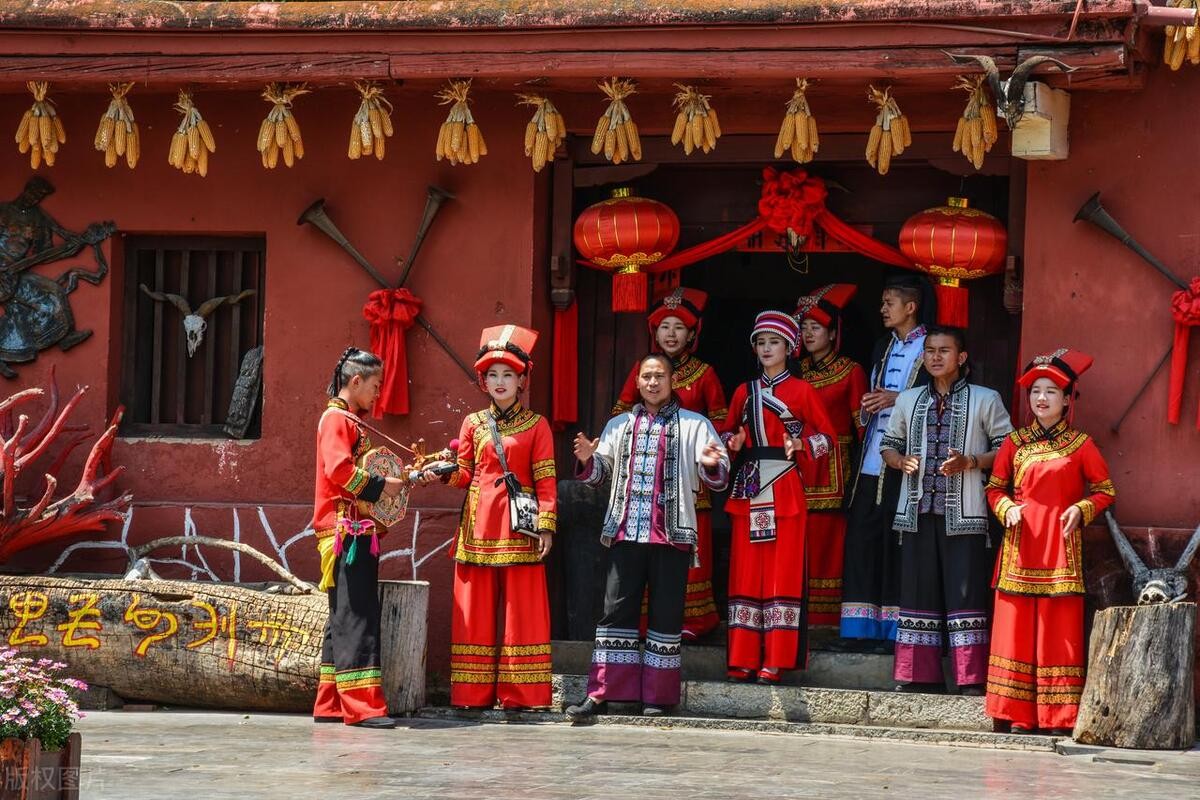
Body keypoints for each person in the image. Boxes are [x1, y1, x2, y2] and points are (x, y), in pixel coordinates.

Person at [566, 353, 729, 719]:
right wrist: (590, 459)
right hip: (625, 532)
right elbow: (599, 476)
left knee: (666, 615)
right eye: (646, 377)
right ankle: (603, 692)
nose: (653, 383)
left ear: (673, 381)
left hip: (672, 535)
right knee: (614, 613)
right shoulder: (618, 425)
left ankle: (657, 696)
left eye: (659, 376)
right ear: (637, 382)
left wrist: (711, 464)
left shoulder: (696, 424)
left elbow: (718, 476)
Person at [985, 349, 1115, 734]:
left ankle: (1058, 716)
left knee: (1059, 633)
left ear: (1067, 399)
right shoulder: (1015, 443)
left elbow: (1105, 490)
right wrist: (1006, 507)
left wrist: (1082, 508)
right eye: (1035, 391)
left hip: (1060, 551)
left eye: (1051, 392)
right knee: (1014, 632)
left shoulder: (1081, 445)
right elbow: (994, 488)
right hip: (1020, 548)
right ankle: (1015, 713)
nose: (1041, 398)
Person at [880, 327, 1012, 695]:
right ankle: (918, 675)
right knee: (916, 591)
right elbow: (888, 444)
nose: (935, 357)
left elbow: (1007, 449)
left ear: (962, 357)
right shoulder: (908, 400)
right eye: (930, 351)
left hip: (965, 514)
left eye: (944, 350)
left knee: (964, 592)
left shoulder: (986, 399)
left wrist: (971, 461)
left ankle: (970, 677)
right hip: (916, 511)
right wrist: (900, 461)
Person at [432, 325, 558, 710]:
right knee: (474, 612)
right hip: (477, 528)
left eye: (508, 374)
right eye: (492, 375)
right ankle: (472, 695)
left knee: (523, 613)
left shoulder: (537, 425)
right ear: (483, 381)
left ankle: (522, 695)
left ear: (522, 381)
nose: (500, 381)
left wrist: (546, 526)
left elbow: (546, 481)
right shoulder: (472, 423)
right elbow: (465, 474)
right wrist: (445, 471)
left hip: (521, 528)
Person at [720, 311, 836, 683]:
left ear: (789, 348)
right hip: (749, 484)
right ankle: (743, 656)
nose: (767, 348)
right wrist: (732, 441)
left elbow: (828, 439)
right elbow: (725, 434)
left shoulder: (803, 391)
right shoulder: (743, 392)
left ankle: (776, 658)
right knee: (745, 571)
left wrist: (801, 444)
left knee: (781, 571)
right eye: (761, 342)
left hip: (785, 484)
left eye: (774, 342)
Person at [613, 287, 727, 641]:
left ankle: (693, 620)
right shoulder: (643, 370)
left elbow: (719, 421)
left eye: (679, 327)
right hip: (645, 478)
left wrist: (709, 454)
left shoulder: (705, 373)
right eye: (665, 327)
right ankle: (645, 622)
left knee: (689, 547)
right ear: (655, 332)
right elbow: (621, 414)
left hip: (687, 477)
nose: (672, 334)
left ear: (692, 334)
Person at [311, 347, 406, 728]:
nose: (378, 393)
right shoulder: (337, 419)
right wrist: (382, 487)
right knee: (358, 616)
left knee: (343, 617)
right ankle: (362, 707)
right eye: (375, 385)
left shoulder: (348, 420)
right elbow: (338, 471)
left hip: (352, 530)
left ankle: (331, 703)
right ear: (355, 381)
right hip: (347, 532)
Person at [840, 274, 934, 651]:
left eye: (888, 302)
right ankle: (860, 630)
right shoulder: (882, 345)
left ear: (910, 307)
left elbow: (939, 395)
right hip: (871, 458)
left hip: (907, 459)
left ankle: (896, 632)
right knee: (863, 540)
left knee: (897, 544)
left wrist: (897, 399)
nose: (882, 309)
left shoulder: (931, 345)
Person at [794, 284, 868, 632]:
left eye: (817, 327)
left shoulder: (851, 371)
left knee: (830, 535)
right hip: (797, 462)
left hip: (836, 466)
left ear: (834, 333)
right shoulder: (794, 371)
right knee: (798, 533)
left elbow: (862, 427)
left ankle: (826, 615)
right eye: (804, 327)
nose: (809, 333)